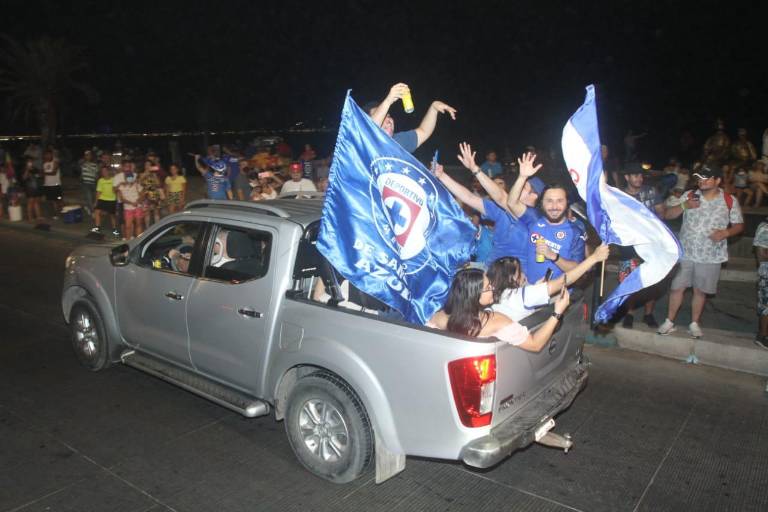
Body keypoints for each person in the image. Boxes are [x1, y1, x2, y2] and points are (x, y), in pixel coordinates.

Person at [658, 164, 744, 338]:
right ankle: (669, 321)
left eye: (706, 178)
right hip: (686, 252)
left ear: (717, 180)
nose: (701, 181)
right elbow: (667, 215)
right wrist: (684, 206)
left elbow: (739, 225)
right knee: (677, 287)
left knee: (700, 290)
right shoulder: (689, 196)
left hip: (710, 255)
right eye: (699, 178)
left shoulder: (729, 200)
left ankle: (694, 323)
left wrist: (725, 232)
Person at [433, 143, 543, 269]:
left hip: (515, 276)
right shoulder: (502, 211)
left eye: (523, 187)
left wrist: (475, 169)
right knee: (450, 268)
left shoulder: (535, 218)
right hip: (490, 269)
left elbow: (502, 198)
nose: (516, 188)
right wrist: (442, 176)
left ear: (534, 195)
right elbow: (469, 197)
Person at [427, 268, 571, 352]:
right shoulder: (496, 321)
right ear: (474, 296)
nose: (493, 289)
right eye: (488, 288)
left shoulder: (439, 317)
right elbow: (535, 344)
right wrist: (557, 312)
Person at [507, 153, 587, 284]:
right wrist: (522, 177)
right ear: (541, 203)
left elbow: (578, 269)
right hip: (531, 290)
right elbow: (511, 203)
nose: (554, 206)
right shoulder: (534, 219)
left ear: (567, 203)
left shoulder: (575, 231)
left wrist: (553, 256)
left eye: (560, 201)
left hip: (559, 295)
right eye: (549, 201)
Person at [487, 243, 610, 321]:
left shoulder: (495, 294)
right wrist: (594, 258)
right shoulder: (521, 296)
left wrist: (536, 288)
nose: (524, 275)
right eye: (520, 273)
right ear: (512, 279)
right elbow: (562, 281)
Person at [616, 162, 666, 328]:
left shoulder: (651, 191)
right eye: (635, 175)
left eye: (640, 175)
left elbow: (661, 212)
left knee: (652, 280)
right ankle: (629, 314)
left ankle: (648, 314)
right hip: (629, 245)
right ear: (627, 177)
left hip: (651, 244)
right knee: (630, 281)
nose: (639, 178)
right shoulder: (620, 196)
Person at [367, 82, 457, 153]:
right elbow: (369, 130)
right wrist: (388, 100)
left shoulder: (398, 141)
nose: (388, 120)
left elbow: (424, 131)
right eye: (382, 116)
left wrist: (433, 108)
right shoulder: (362, 144)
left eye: (389, 116)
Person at [115, 168, 144, 239]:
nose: (129, 178)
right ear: (125, 178)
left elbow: (142, 195)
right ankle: (128, 242)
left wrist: (137, 201)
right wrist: (131, 203)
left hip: (138, 207)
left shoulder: (137, 185)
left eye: (130, 177)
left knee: (138, 224)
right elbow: (122, 198)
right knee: (128, 226)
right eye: (128, 177)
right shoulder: (122, 186)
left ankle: (139, 240)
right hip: (128, 208)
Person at [91, 165, 118, 236]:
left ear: (108, 171)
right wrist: (96, 202)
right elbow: (98, 192)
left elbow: (116, 190)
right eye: (102, 171)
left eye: (105, 171)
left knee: (112, 215)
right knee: (97, 211)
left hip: (111, 199)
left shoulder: (113, 179)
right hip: (102, 199)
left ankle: (114, 229)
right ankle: (98, 227)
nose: (104, 172)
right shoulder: (100, 180)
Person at [753, 219, 768, 350]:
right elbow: (762, 255)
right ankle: (762, 336)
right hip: (766, 273)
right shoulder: (764, 227)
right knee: (766, 306)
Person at [20, 158, 43, 222]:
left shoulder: (35, 169)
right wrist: (27, 169)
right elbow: (24, 178)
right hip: (29, 188)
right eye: (29, 162)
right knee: (30, 202)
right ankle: (30, 217)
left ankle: (38, 216)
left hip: (36, 187)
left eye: (31, 162)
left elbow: (40, 176)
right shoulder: (24, 169)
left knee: (36, 202)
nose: (30, 163)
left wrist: (40, 173)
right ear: (26, 163)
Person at [41, 149, 62, 217]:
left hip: (55, 184)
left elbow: (54, 172)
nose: (47, 156)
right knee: (50, 200)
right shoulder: (44, 163)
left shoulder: (55, 162)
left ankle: (59, 213)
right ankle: (54, 213)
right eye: (46, 155)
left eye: (49, 155)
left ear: (52, 155)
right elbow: (44, 176)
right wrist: (44, 184)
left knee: (58, 200)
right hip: (47, 185)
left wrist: (44, 173)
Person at [79, 150, 99, 216]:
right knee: (89, 197)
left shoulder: (95, 165)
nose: (88, 156)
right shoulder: (82, 164)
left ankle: (88, 207)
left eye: (89, 155)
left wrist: (96, 182)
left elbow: (96, 175)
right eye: (86, 155)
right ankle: (93, 212)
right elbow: (81, 173)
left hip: (93, 183)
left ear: (91, 156)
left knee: (93, 198)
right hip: (85, 183)